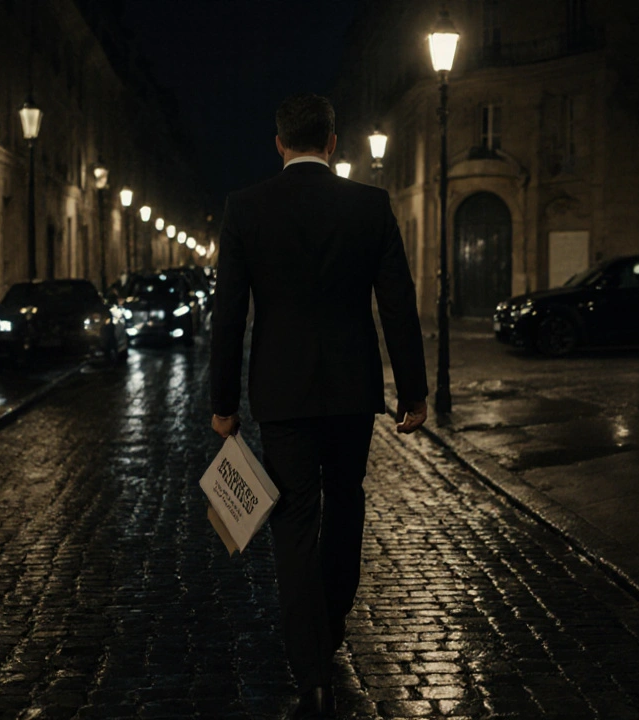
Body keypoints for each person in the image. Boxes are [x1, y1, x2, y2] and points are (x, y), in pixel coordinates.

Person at [209, 93, 429, 719]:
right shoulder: (369, 205)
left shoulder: (246, 207)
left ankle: (312, 673)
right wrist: (412, 390)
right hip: (353, 388)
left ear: (279, 144)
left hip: (282, 394)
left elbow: (229, 315)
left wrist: (223, 403)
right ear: (332, 143)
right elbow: (397, 303)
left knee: (295, 520)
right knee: (347, 504)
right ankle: (330, 625)